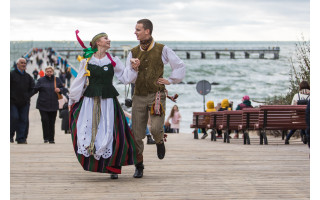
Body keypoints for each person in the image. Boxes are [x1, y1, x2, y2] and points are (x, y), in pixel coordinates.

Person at [69, 31, 139, 179]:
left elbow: (125, 78)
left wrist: (133, 68)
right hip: (90, 101)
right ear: (98, 42)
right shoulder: (87, 61)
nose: (109, 40)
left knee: (113, 131)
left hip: (108, 101)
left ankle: (113, 168)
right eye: (105, 38)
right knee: (89, 130)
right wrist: (73, 99)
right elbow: (79, 81)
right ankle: (97, 163)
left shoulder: (113, 60)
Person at [127, 19, 186, 178]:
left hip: (157, 96)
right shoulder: (132, 52)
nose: (135, 32)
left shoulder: (162, 49)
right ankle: (139, 165)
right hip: (138, 95)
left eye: (138, 29)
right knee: (136, 133)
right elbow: (128, 78)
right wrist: (133, 67)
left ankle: (159, 141)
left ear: (147, 31)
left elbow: (179, 65)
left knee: (154, 128)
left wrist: (171, 79)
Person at [32, 66, 66, 144]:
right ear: (45, 72)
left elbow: (64, 89)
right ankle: (46, 137)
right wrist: (26, 95)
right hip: (43, 105)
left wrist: (60, 90)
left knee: (52, 122)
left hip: (53, 104)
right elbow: (35, 89)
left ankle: (51, 139)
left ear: (53, 72)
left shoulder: (57, 80)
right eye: (47, 71)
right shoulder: (41, 80)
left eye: (50, 71)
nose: (49, 73)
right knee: (45, 121)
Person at [10, 58, 35, 144]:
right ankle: (10, 135)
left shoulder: (28, 77)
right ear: (17, 64)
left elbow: (33, 88)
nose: (23, 64)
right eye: (21, 63)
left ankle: (21, 138)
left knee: (23, 120)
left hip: (24, 102)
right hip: (13, 102)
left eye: (24, 63)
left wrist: (27, 96)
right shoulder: (11, 74)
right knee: (14, 118)